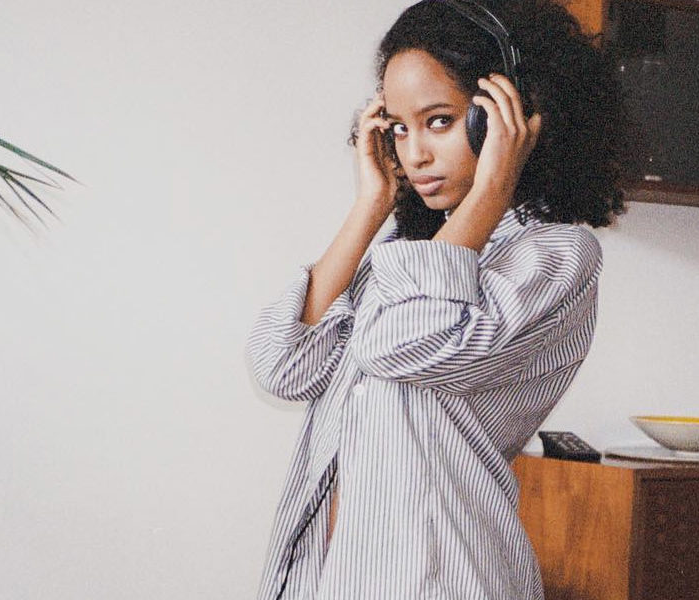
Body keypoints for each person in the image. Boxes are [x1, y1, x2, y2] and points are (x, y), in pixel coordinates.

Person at [246, 0, 632, 598]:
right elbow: (282, 367)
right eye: (399, 127)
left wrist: (494, 186)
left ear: (507, 116)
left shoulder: (553, 255)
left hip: (444, 577)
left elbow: (401, 345)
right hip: (331, 578)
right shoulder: (410, 256)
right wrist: (371, 206)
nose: (415, 153)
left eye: (440, 121)